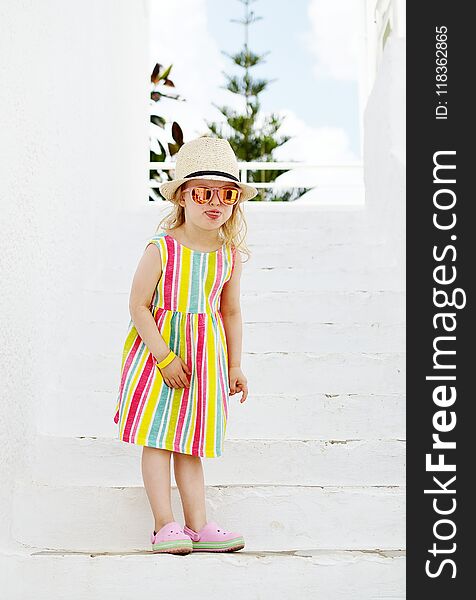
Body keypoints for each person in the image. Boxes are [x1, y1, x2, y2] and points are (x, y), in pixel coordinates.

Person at [113, 136, 258, 554]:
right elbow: (139, 306)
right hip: (160, 355)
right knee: (159, 438)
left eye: (227, 194)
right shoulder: (162, 248)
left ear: (235, 202)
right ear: (182, 197)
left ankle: (198, 525)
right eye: (203, 192)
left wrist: (234, 365)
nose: (215, 202)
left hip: (203, 361)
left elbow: (230, 312)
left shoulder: (228, 255)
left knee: (190, 443)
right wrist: (164, 355)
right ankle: (164, 525)